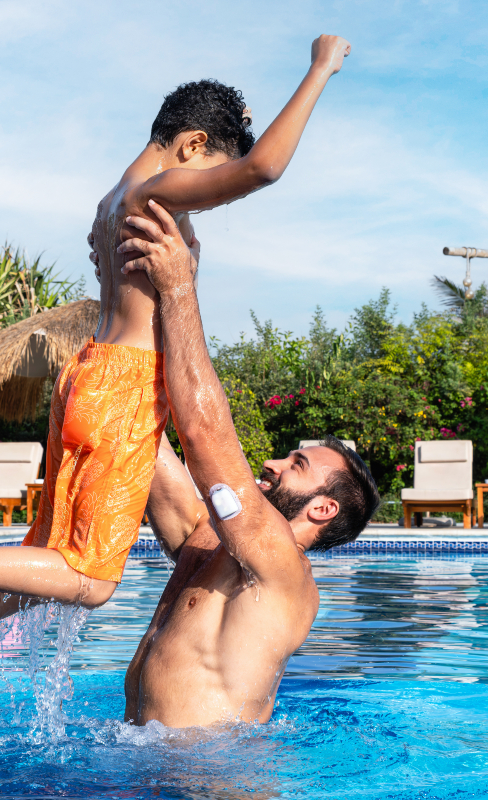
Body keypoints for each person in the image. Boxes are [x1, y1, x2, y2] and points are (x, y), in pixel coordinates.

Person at [0, 34, 353, 745]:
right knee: (91, 578)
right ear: (193, 145)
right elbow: (265, 167)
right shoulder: (156, 194)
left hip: (89, 376)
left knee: (44, 560)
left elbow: (186, 441)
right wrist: (320, 68)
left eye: (297, 466)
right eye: (213, 173)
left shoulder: (114, 201)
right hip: (123, 387)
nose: (210, 195)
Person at [115, 202, 379, 724]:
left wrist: (180, 288)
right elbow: (137, 437)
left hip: (216, 776)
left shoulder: (282, 569)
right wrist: (122, 295)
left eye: (297, 464)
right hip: (144, 761)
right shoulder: (209, 538)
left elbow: (202, 430)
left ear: (323, 509)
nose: (274, 461)